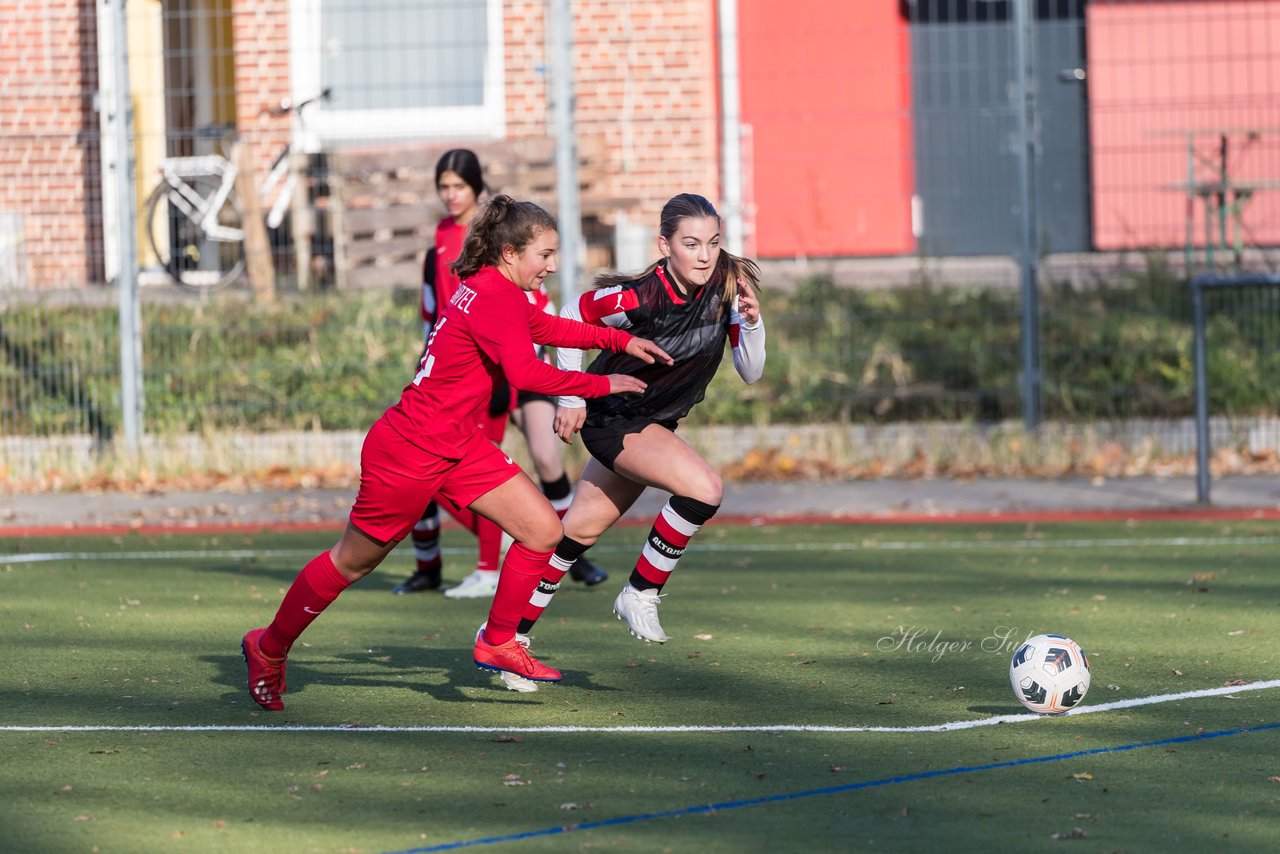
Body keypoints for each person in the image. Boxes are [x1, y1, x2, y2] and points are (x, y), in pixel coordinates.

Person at [240, 195, 672, 711]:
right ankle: (267, 647)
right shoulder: (493, 296)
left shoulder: (499, 291)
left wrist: (616, 341)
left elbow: (550, 329)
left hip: (458, 445)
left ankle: (498, 640)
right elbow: (527, 375)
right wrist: (605, 384)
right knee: (352, 563)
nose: (553, 266)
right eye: (545, 255)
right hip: (408, 449)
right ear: (510, 253)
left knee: (541, 531)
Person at [512, 193, 765, 648]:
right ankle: (641, 593)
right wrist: (572, 397)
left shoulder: (726, 280)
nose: (705, 255)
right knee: (704, 489)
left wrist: (751, 324)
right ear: (665, 245)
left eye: (713, 242)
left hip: (652, 423)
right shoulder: (640, 297)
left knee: (573, 536)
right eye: (691, 244)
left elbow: (751, 372)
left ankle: (508, 635)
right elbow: (572, 315)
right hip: (616, 417)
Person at [392, 149, 607, 599]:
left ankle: (570, 555)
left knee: (545, 459)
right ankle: (458, 566)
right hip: (478, 367)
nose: (450, 195)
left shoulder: (505, 241)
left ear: (477, 189)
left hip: (519, 363)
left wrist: (578, 386)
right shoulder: (442, 240)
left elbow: (538, 315)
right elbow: (441, 309)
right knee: (461, 466)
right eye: (444, 187)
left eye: (459, 187)